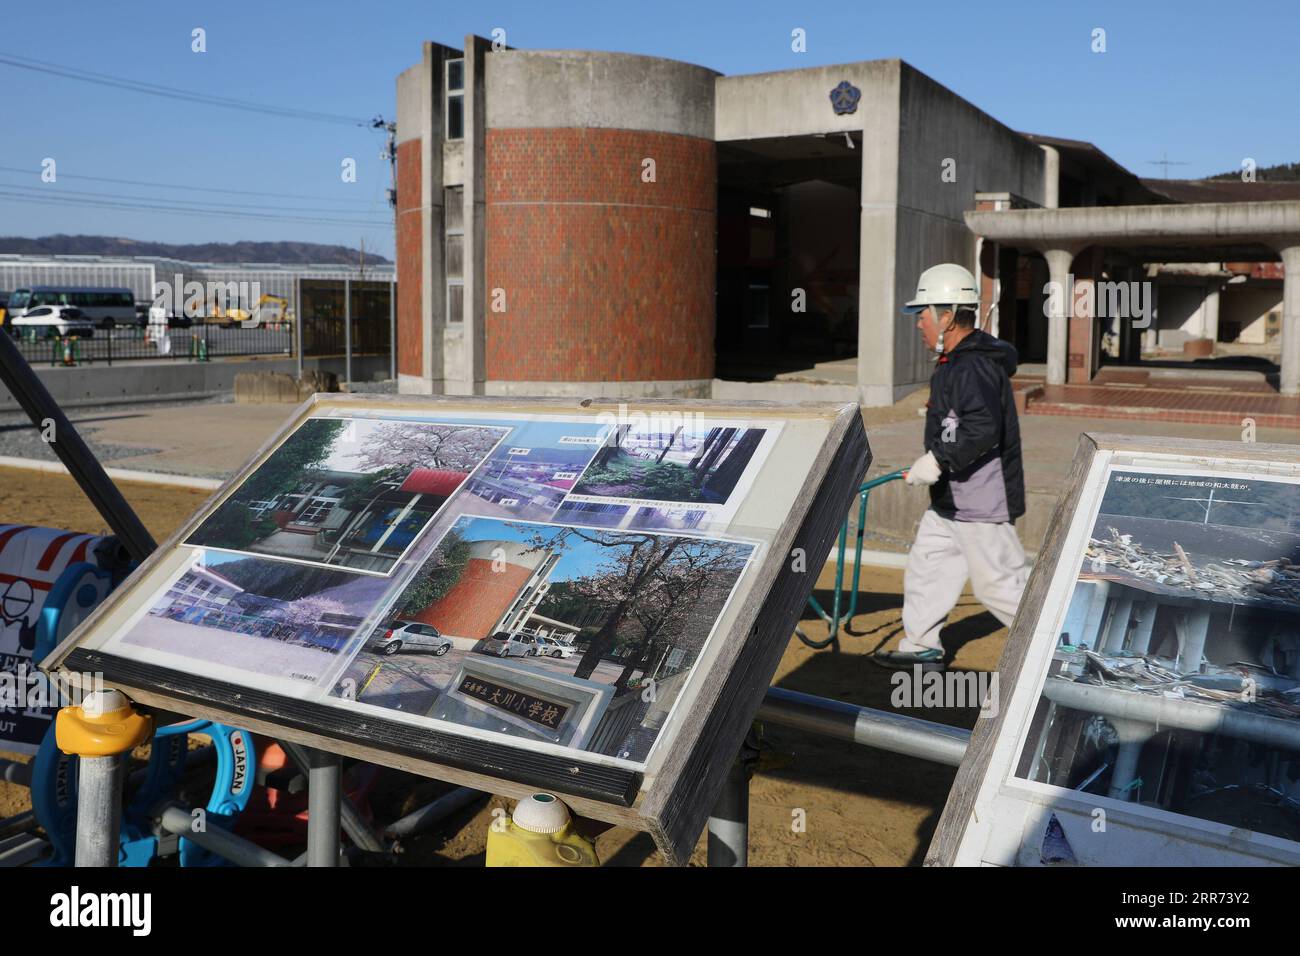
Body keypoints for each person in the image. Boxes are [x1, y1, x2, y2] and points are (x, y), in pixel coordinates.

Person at [873, 263, 1028, 670]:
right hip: (951, 498)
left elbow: (982, 427)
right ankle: (922, 646)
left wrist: (937, 459)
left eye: (922, 313)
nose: (917, 322)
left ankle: (1062, 648)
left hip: (979, 498)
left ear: (946, 315)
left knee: (1000, 586)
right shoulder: (954, 361)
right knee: (928, 566)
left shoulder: (973, 364)